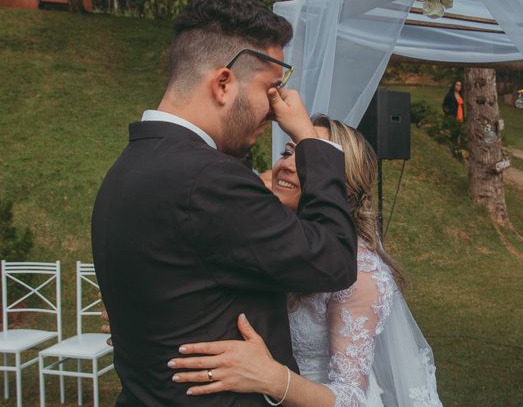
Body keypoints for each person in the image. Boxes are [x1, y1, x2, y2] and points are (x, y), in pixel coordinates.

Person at [91, 0, 358, 406]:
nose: (274, 112)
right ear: (223, 83)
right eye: (269, 90)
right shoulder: (209, 179)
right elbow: (334, 260)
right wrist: (308, 139)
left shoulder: (128, 165)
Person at [166, 115, 443, 407]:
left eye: (310, 162)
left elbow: (353, 399)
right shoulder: (275, 240)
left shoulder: (360, 275)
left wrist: (272, 377)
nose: (285, 164)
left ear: (343, 187)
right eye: (287, 152)